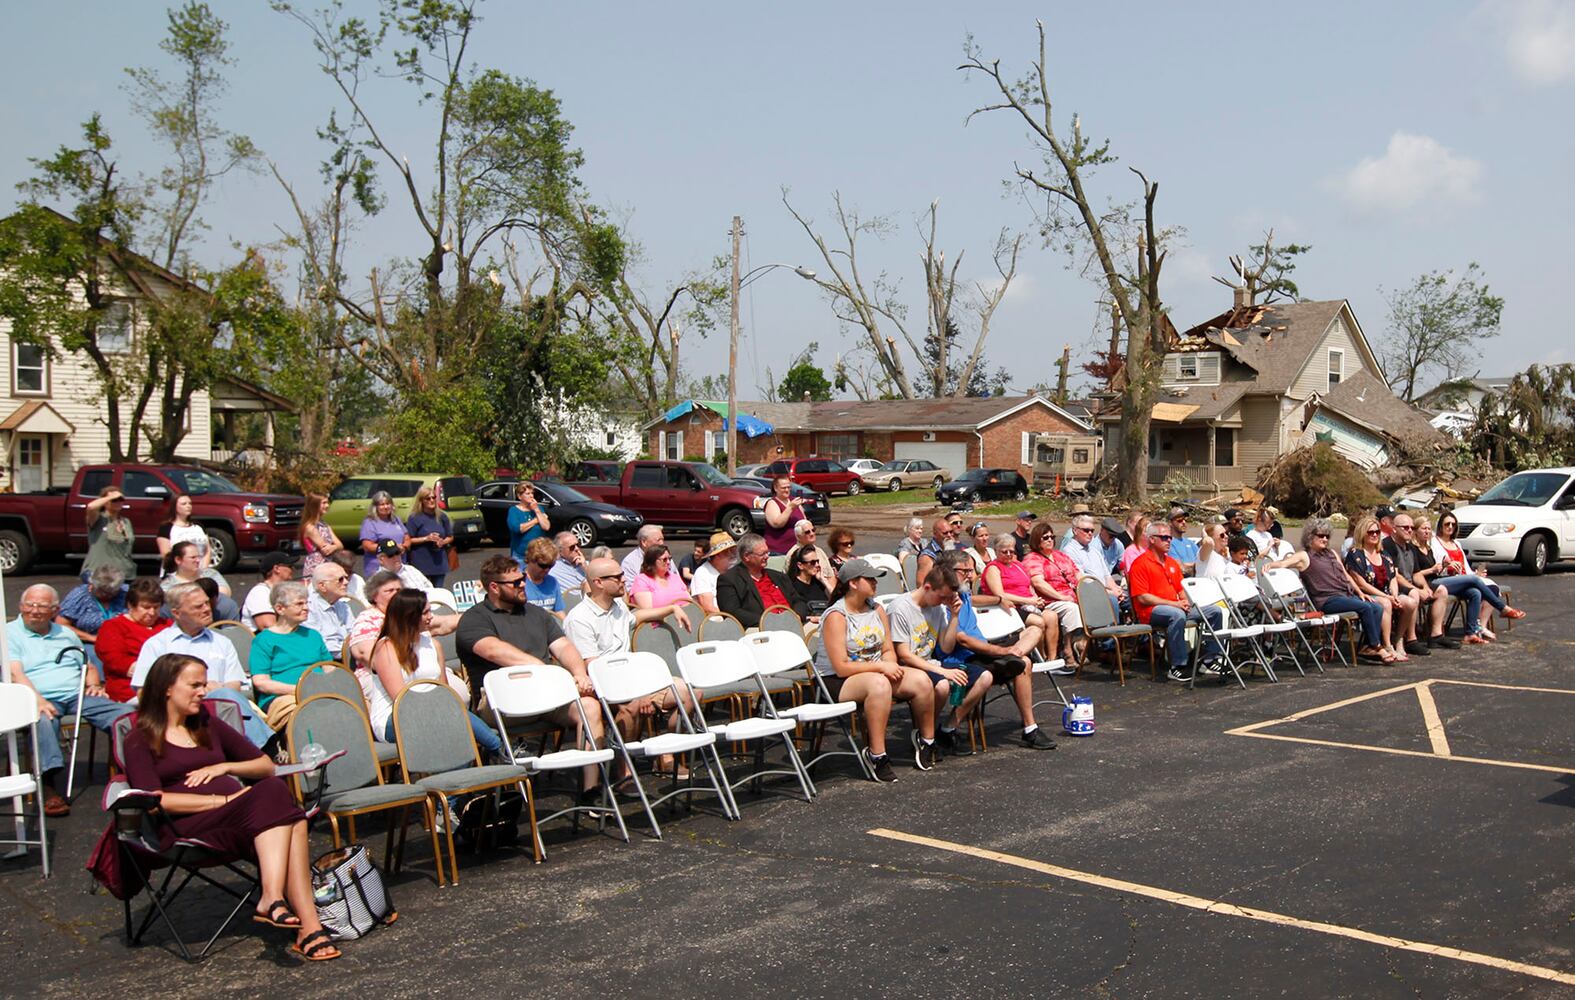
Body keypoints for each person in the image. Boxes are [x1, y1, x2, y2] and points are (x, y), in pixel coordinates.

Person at [120, 653, 340, 961]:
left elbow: (264, 765)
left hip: (241, 821)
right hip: (184, 827)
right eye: (194, 685)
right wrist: (222, 800)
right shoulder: (140, 739)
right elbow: (154, 801)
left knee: (289, 814)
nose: (203, 691)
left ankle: (289, 912)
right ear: (167, 687)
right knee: (282, 807)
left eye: (204, 684)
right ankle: (295, 916)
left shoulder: (207, 724)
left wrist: (225, 768)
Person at [455, 556, 605, 795]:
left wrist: (579, 673)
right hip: (502, 705)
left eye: (523, 578)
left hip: (546, 696)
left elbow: (564, 647)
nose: (523, 584)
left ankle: (590, 789)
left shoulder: (537, 614)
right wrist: (545, 671)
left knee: (590, 706)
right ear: (494, 587)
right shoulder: (474, 619)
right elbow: (494, 651)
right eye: (515, 582)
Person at [5, 584, 136, 816]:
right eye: (30, 605)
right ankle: (48, 784)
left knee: (127, 715)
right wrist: (38, 700)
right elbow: (15, 673)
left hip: (77, 694)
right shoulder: (9, 633)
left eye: (42, 606)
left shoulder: (65, 633)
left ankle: (133, 773)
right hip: (38, 696)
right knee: (43, 720)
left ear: (54, 610)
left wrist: (94, 684)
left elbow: (88, 664)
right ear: (20, 606)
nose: (35, 610)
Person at [562, 557, 698, 769]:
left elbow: (638, 616)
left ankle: (665, 754)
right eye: (617, 577)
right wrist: (638, 690)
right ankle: (623, 769)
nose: (623, 579)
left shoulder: (617, 606)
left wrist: (672, 609)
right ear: (598, 582)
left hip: (632, 677)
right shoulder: (579, 618)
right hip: (604, 684)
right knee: (633, 705)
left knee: (689, 693)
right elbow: (594, 667)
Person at [814, 558, 938, 781]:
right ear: (853, 583)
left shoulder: (877, 608)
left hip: (874, 672)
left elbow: (888, 648)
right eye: (869, 579)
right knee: (879, 685)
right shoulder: (836, 616)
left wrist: (888, 663)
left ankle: (927, 740)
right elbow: (841, 667)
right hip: (836, 680)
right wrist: (882, 667)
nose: (875, 583)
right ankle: (877, 754)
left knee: (921, 680)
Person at [936, 551, 1057, 750]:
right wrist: (1000, 652)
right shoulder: (943, 602)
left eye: (971, 570)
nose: (970, 575)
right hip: (964, 658)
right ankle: (1030, 730)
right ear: (948, 571)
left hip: (985, 651)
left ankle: (1029, 727)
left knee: (1035, 630)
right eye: (965, 570)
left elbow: (975, 599)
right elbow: (962, 640)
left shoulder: (962, 593)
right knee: (1024, 663)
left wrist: (998, 599)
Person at [131, 582, 274, 748]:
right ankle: (266, 748)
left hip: (220, 710)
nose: (207, 609)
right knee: (227, 697)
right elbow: (144, 692)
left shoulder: (222, 642)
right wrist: (198, 691)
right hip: (178, 714)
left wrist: (216, 691)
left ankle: (254, 752)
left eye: (207, 603)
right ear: (177, 613)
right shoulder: (157, 645)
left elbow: (234, 687)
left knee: (228, 697)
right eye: (198, 606)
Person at [366, 589, 498, 757]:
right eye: (426, 612)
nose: (431, 616)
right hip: (395, 717)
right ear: (409, 616)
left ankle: (492, 753)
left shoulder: (433, 644)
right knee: (450, 717)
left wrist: (442, 708)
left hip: (436, 712)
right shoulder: (386, 648)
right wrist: (439, 709)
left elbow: (445, 691)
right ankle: (498, 748)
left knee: (452, 714)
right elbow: (401, 697)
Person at [1128, 521, 1226, 682]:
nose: (1169, 541)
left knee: (1215, 611)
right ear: (1152, 539)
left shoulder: (1171, 563)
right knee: (1176, 615)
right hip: (1151, 611)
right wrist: (1176, 604)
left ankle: (1210, 659)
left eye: (1170, 537)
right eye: (1164, 537)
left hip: (1177, 607)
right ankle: (1177, 666)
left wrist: (1185, 601)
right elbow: (1143, 597)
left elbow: (1181, 589)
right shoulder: (1140, 564)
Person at [886, 566, 962, 760]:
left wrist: (954, 616)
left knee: (974, 677)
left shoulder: (938, 608)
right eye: (942, 597)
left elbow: (945, 647)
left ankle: (926, 733)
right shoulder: (900, 608)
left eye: (948, 598)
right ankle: (925, 735)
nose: (944, 602)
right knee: (943, 684)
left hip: (928, 662)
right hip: (906, 666)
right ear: (927, 587)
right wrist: (940, 671)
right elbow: (904, 654)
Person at [1298, 518, 1391, 662]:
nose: (1325, 539)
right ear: (1310, 536)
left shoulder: (1331, 554)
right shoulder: (1305, 555)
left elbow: (1347, 576)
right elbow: (1286, 562)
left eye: (1327, 536)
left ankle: (1368, 646)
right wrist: (1270, 566)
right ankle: (1377, 646)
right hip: (1326, 600)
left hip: (1344, 595)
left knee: (1377, 607)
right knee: (1365, 607)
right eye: (1321, 536)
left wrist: (1361, 593)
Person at [248, 581, 332, 731]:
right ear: (280, 609)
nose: (306, 608)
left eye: (306, 603)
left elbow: (329, 669)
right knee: (308, 713)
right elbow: (261, 682)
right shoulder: (263, 640)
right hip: (283, 697)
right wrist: (299, 689)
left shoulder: (313, 636)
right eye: (299, 604)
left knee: (357, 703)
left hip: (319, 691)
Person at [1428, 511, 1525, 641]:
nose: (1450, 527)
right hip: (1442, 580)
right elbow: (1433, 564)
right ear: (1440, 525)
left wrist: (1475, 573)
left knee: (1476, 592)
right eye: (1447, 524)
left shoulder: (1456, 543)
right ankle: (1502, 608)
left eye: (1453, 524)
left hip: (1462, 579)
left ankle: (1471, 633)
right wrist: (1448, 566)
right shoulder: (1434, 543)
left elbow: (1465, 567)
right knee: (1474, 580)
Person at [981, 533, 1058, 661]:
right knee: (1038, 622)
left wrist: (1035, 599)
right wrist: (1029, 601)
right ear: (996, 551)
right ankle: (1040, 657)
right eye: (1004, 551)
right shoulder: (993, 568)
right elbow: (1000, 595)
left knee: (1051, 616)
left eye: (1011, 551)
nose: (1009, 554)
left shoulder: (1017, 565)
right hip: (1009, 607)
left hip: (1028, 603)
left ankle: (1052, 657)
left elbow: (1028, 585)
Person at [96, 579, 173, 703]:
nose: (152, 612)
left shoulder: (167, 625)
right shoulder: (113, 627)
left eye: (156, 607)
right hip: (131, 690)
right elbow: (116, 661)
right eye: (146, 607)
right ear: (130, 605)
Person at [1343, 514, 1405, 661]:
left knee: (1410, 602)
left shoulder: (1383, 554)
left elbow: (1392, 577)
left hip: (1386, 593)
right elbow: (1361, 583)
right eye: (1370, 532)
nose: (1375, 535)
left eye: (1377, 532)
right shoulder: (1355, 554)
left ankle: (1401, 641)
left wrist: (1394, 595)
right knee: (1385, 604)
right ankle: (1386, 645)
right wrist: (1388, 597)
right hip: (1364, 595)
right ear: (1362, 534)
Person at [716, 533, 810, 628]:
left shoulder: (779, 577)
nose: (767, 557)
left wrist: (797, 616)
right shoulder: (730, 580)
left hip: (792, 624)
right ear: (746, 556)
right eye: (762, 554)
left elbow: (798, 601)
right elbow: (732, 612)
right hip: (759, 629)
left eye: (767, 552)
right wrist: (770, 621)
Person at [1023, 522, 1085, 662]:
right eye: (1045, 537)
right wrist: (1061, 597)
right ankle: (1068, 647)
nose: (1050, 540)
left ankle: (1083, 642)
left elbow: (1077, 573)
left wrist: (1088, 590)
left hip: (1073, 594)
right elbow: (1038, 583)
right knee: (1071, 608)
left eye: (1052, 536)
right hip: (1050, 600)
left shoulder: (1060, 555)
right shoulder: (1032, 559)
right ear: (1037, 539)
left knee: (1097, 603)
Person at [1062, 513, 1124, 612]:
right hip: (1089, 593)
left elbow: (1106, 575)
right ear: (1075, 530)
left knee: (1132, 596)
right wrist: (1109, 592)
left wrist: (1116, 590)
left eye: (1092, 530)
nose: (1090, 533)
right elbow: (1083, 581)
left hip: (1105, 590)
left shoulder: (1094, 551)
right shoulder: (1069, 551)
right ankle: (1114, 627)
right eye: (1086, 530)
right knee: (1111, 600)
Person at [629, 543, 695, 632]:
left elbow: (690, 601)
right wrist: (673, 609)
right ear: (652, 561)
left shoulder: (674, 577)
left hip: (686, 623)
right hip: (660, 628)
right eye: (664, 559)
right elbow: (647, 612)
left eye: (669, 559)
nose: (668, 562)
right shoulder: (642, 580)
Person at [55, 566, 129, 644]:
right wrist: (92, 638)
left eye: (110, 592)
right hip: (90, 642)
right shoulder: (80, 595)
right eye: (102, 591)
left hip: (123, 640)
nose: (107, 595)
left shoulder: (126, 593)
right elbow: (61, 625)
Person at [82, 485, 136, 582]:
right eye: (114, 500)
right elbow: (91, 507)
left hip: (124, 573)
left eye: (120, 499)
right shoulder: (99, 519)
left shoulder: (126, 521)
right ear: (104, 502)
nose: (118, 502)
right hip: (99, 574)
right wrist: (110, 496)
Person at [405, 485, 455, 589]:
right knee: (424, 593)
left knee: (438, 592)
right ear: (421, 501)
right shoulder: (414, 518)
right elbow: (409, 540)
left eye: (434, 497)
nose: (431, 500)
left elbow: (450, 536)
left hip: (439, 562)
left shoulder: (442, 516)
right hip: (421, 562)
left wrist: (442, 542)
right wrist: (426, 538)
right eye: (428, 498)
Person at [305, 562, 354, 659]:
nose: (346, 582)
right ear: (322, 586)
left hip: (349, 656)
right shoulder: (308, 608)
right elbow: (319, 646)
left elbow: (354, 632)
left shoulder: (343, 606)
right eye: (340, 579)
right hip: (325, 663)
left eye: (346, 578)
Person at [241, 552, 299, 632]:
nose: (293, 569)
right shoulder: (260, 592)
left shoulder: (283, 592)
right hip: (263, 642)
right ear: (276, 569)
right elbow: (267, 626)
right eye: (290, 566)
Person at [156, 494, 212, 572]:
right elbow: (166, 555)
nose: (188, 506)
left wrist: (203, 570)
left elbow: (207, 550)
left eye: (190, 503)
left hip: (200, 573)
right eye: (184, 504)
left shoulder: (198, 526)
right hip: (177, 573)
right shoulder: (166, 528)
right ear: (174, 507)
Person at [358, 490, 408, 576]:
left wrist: (404, 546)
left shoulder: (396, 519)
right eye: (382, 504)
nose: (385, 507)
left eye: (388, 504)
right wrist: (392, 548)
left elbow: (406, 536)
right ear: (375, 507)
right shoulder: (370, 522)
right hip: (378, 568)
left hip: (399, 566)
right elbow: (367, 546)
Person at [161, 539, 233, 598]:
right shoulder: (168, 585)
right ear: (178, 560)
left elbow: (225, 594)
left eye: (198, 556)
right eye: (193, 557)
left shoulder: (211, 574)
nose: (198, 560)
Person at [297, 492, 344, 579]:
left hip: (328, 564)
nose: (327, 505)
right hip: (317, 566)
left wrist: (334, 547)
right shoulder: (310, 527)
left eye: (327, 502)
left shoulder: (324, 525)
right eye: (324, 503)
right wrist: (334, 546)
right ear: (314, 505)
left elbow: (340, 545)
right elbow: (325, 549)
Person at [689, 532, 736, 615]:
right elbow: (708, 608)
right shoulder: (702, 573)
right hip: (715, 621)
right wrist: (734, 617)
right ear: (717, 555)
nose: (732, 555)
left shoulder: (733, 570)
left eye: (733, 550)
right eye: (727, 552)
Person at [519, 536, 566, 615]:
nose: (547, 570)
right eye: (543, 565)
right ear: (530, 560)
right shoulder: (519, 582)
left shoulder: (552, 582)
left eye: (551, 566)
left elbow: (559, 611)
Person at [785, 520, 835, 593]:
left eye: (813, 530)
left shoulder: (820, 551)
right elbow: (790, 579)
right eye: (807, 532)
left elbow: (831, 576)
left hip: (824, 593)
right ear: (799, 536)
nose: (812, 533)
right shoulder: (793, 554)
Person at [785, 545, 831, 622]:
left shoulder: (818, 582)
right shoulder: (791, 586)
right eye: (812, 562)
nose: (817, 565)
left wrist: (824, 581)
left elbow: (838, 601)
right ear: (800, 565)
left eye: (817, 561)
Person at [762, 476, 807, 555]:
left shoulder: (795, 501)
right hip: (779, 551)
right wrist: (790, 507)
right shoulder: (772, 503)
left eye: (788, 487)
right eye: (783, 488)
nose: (787, 490)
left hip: (798, 550)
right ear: (776, 488)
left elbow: (804, 522)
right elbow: (777, 524)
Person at [621, 524, 665, 588]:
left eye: (663, 539)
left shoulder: (666, 557)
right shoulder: (629, 562)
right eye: (658, 540)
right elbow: (629, 589)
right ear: (644, 542)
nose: (662, 543)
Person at [1167, 507, 1200, 575]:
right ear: (1170, 523)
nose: (1184, 522)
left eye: (1185, 519)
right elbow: (1180, 568)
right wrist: (1196, 566)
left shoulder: (1190, 543)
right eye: (1179, 520)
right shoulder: (1168, 543)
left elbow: (1202, 561)